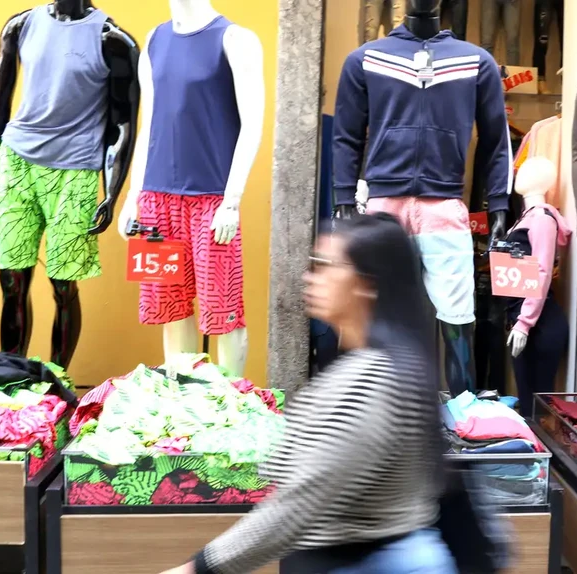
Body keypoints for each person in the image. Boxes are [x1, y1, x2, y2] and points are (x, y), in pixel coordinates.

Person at [161, 213, 457, 574]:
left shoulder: (367, 382)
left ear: (367, 283)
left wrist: (199, 568)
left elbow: (298, 506)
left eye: (325, 265)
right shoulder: (391, 362)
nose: (309, 277)